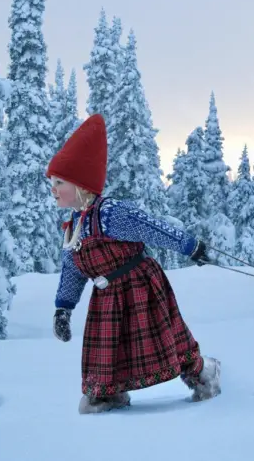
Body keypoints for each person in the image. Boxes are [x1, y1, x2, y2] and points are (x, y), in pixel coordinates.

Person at [46, 113, 221, 414]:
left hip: (140, 285)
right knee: (106, 351)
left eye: (59, 181)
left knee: (168, 338)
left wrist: (190, 246)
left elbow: (154, 228)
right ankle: (106, 396)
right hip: (107, 297)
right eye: (52, 182)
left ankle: (203, 375)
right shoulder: (73, 226)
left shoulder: (110, 213)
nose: (53, 188)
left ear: (81, 184)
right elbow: (72, 272)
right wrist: (63, 308)